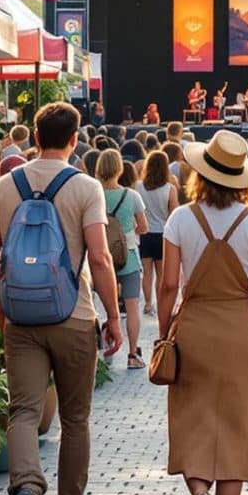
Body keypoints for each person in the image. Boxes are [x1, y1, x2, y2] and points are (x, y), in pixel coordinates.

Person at [0, 102, 123, 495]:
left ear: (34, 136)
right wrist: (114, 316)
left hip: (20, 314)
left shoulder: (3, 186)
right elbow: (98, 258)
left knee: (23, 410)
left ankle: (25, 489)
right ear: (74, 139)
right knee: (76, 418)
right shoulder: (85, 187)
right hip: (74, 314)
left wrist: (2, 310)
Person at [156, 131, 248, 495]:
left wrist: (163, 329)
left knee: (192, 423)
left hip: (193, 328)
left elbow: (170, 283)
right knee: (238, 432)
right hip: (241, 333)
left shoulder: (180, 219)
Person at [92, 149, 149, 369]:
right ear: (120, 168)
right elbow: (143, 228)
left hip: (100, 257)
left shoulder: (93, 194)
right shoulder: (132, 196)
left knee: (100, 305)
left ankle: (101, 352)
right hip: (129, 257)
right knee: (133, 308)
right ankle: (133, 355)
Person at [138, 152, 175, 325]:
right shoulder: (170, 189)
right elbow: (174, 214)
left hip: (144, 233)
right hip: (162, 234)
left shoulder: (138, 186)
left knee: (146, 272)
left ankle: (147, 303)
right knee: (161, 274)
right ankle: (160, 303)